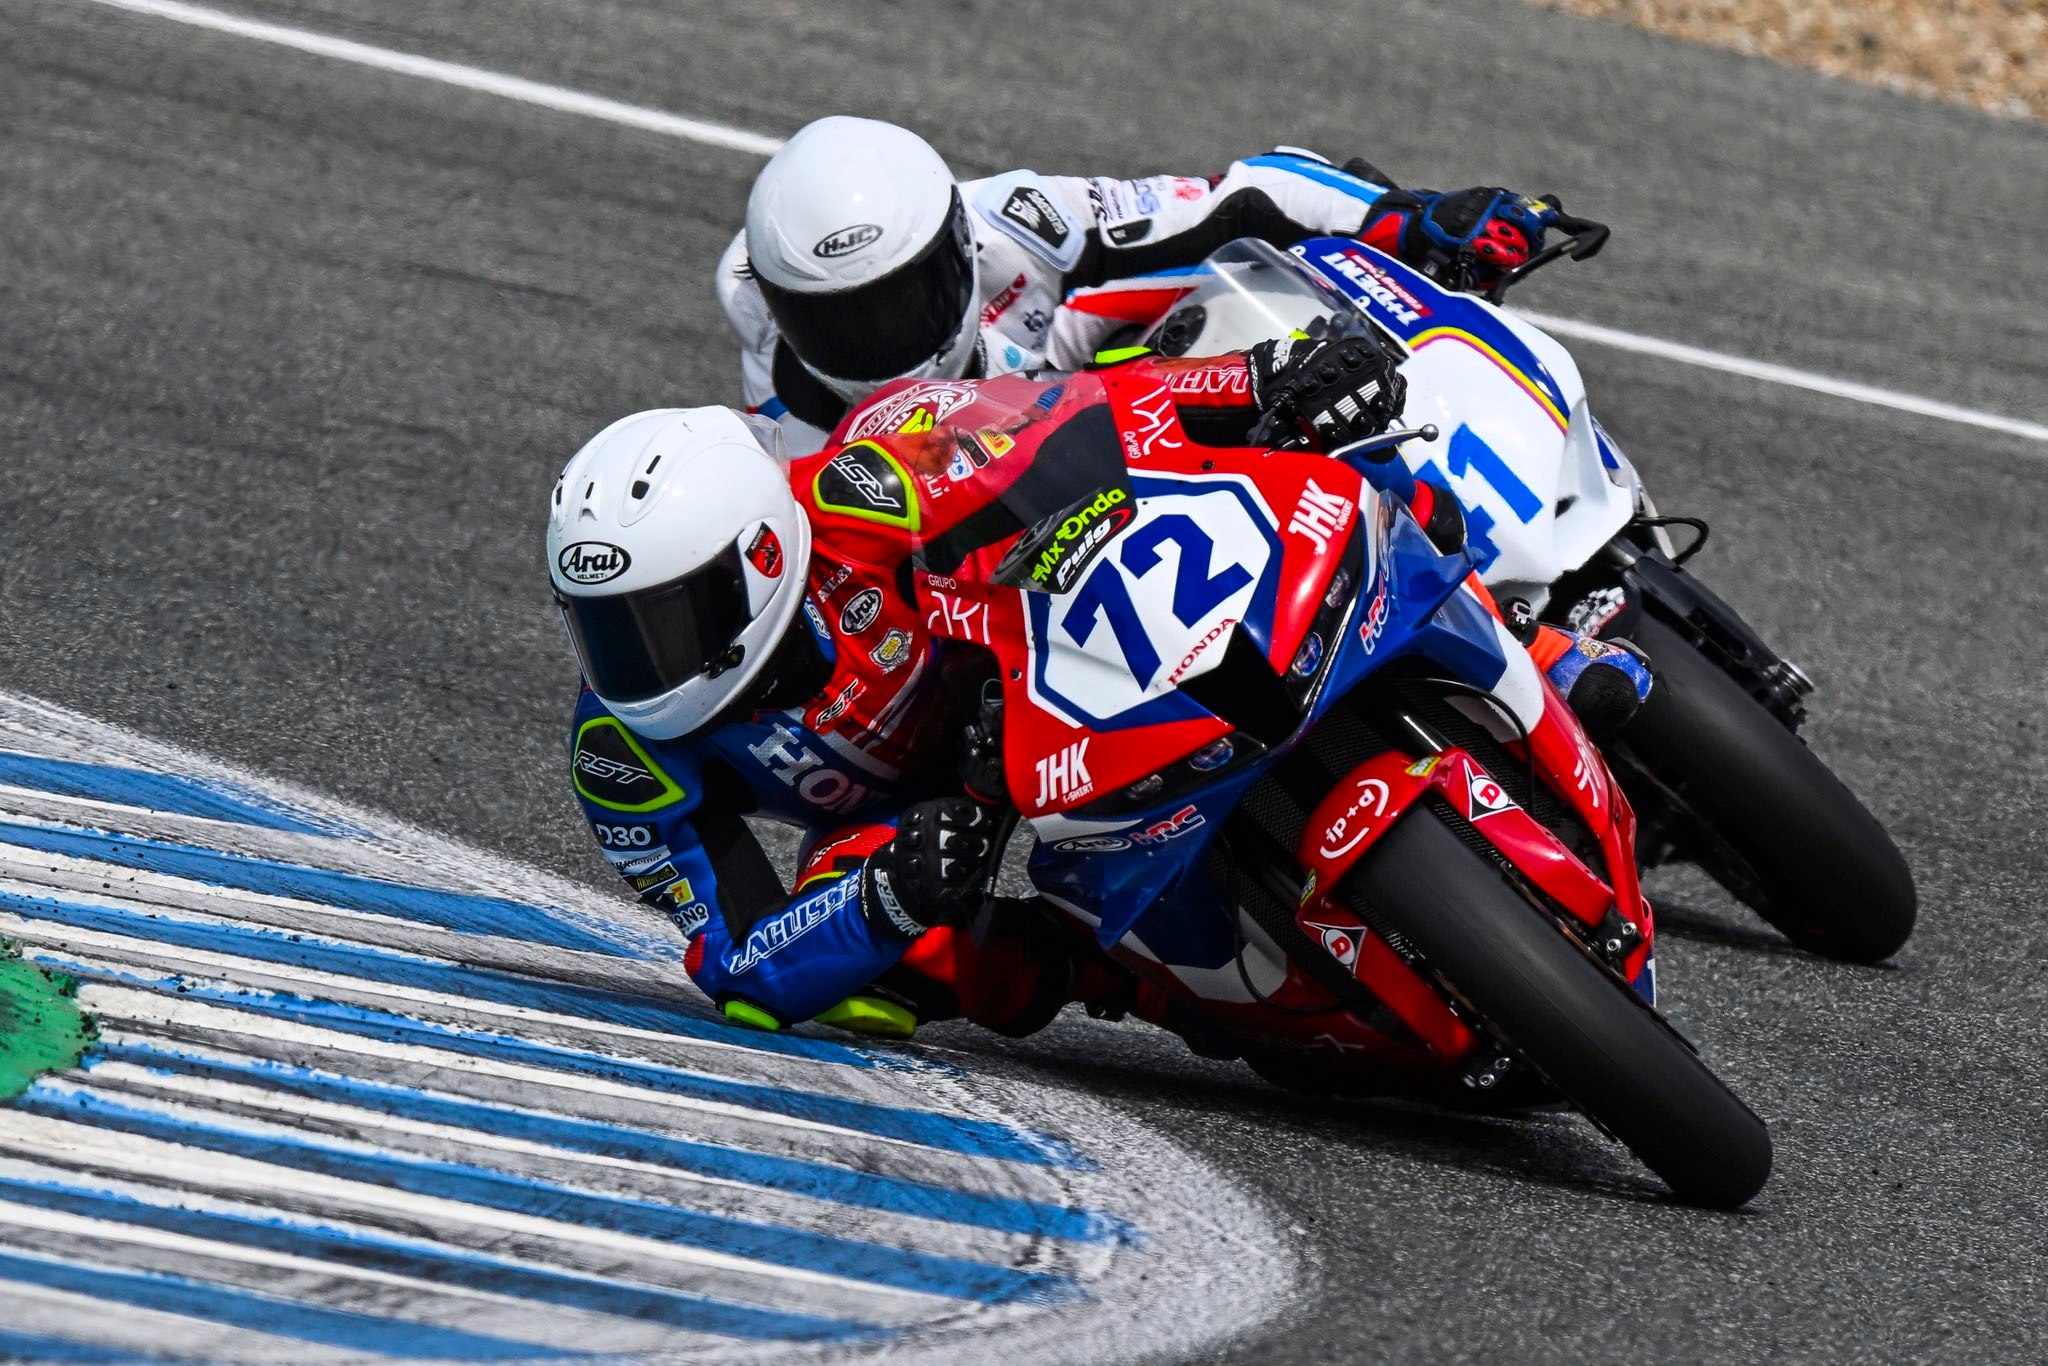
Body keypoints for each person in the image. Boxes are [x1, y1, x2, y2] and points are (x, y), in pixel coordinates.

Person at [549, 326, 1650, 1041]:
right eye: (606, 628)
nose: (640, 661)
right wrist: (886, 895)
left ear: (761, 555)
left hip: (1033, 645)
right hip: (936, 816)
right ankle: (1148, 981)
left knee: (1344, 458)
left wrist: (1259, 377)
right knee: (907, 976)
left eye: (662, 619)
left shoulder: (859, 480)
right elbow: (736, 963)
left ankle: (1535, 646)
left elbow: (1083, 407)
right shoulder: (621, 756)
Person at [720, 115, 1563, 452]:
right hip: (1000, 550)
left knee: (1261, 286)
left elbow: (1235, 199)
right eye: (845, 323)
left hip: (1079, 400)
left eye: (906, 300)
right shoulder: (787, 443)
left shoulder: (1013, 221)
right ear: (782, 312)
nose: (885, 344)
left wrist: (1406, 218)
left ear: (959, 246)